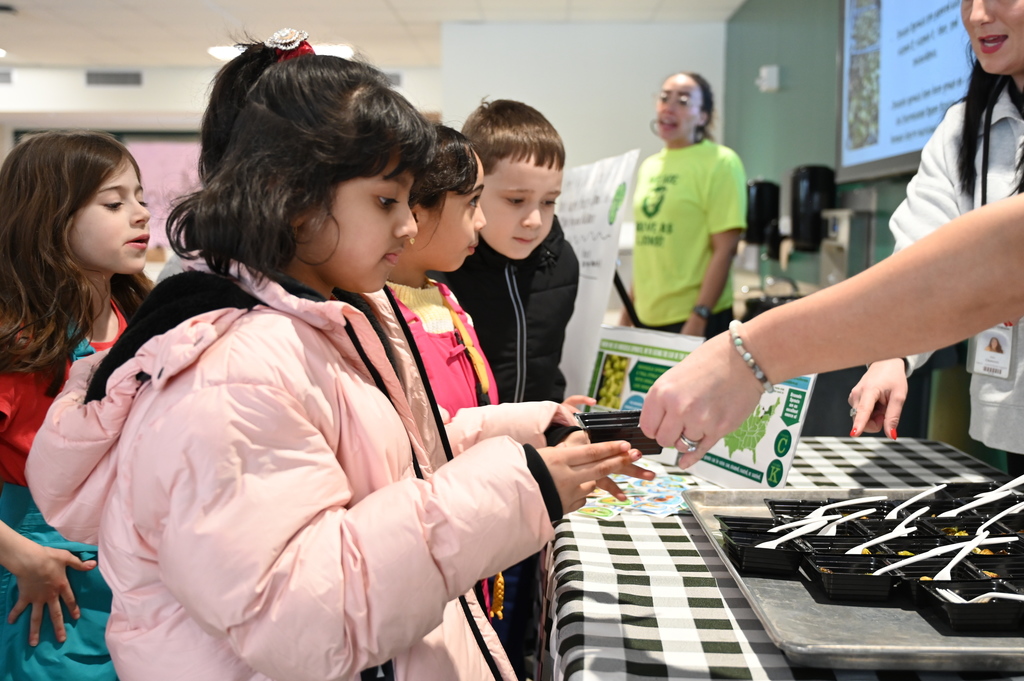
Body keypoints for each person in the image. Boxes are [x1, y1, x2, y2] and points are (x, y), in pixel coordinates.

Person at [24, 34, 650, 681]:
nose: (409, 227)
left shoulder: (322, 319)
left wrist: (527, 434)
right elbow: (305, 612)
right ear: (291, 197)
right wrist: (523, 486)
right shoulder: (232, 374)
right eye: (387, 201)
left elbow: (385, 454)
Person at [638, 191, 1024, 468]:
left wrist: (746, 358)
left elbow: (998, 259)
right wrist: (895, 350)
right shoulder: (963, 124)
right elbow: (921, 270)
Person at [0, 130, 152, 680]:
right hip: (46, 583)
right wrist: (21, 556)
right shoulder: (17, 343)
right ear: (49, 217)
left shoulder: (146, 322)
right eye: (113, 203)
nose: (138, 215)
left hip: (139, 572)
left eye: (140, 198)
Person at [850, 0, 1024, 456]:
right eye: (968, 0)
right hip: (1010, 417)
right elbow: (921, 259)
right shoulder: (962, 128)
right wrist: (893, 354)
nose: (978, 16)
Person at [433, 99, 581, 406]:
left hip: (538, 444)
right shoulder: (439, 269)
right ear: (474, 189)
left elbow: (549, 367)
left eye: (549, 201)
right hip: (470, 445)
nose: (534, 221)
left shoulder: (562, 263)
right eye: (516, 201)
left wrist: (558, 424)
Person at [622, 71, 747, 339]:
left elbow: (725, 249)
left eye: (683, 100)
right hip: (644, 315)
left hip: (693, 318)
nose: (669, 106)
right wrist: (627, 312)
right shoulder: (649, 166)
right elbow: (648, 250)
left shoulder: (721, 162)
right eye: (665, 97)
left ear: (703, 116)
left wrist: (699, 316)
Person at [388, 125, 497, 418]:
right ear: (416, 213)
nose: (482, 221)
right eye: (472, 202)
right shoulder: (373, 318)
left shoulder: (446, 299)